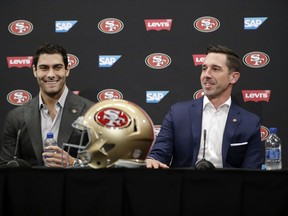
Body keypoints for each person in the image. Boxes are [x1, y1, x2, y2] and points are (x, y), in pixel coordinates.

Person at [146, 45, 263, 169]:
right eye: (204, 68)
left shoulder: (250, 122)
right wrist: (153, 161)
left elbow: (252, 171)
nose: (206, 75)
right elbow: (159, 154)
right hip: (186, 185)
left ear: (233, 77)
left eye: (215, 69)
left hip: (228, 187)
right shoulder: (178, 113)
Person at [0, 42, 94, 167]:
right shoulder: (16, 117)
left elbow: (106, 166)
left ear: (67, 70)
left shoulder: (91, 112)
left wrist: (74, 163)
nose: (50, 75)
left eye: (57, 67)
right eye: (44, 68)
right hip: (32, 186)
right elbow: (6, 167)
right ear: (35, 71)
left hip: (76, 185)